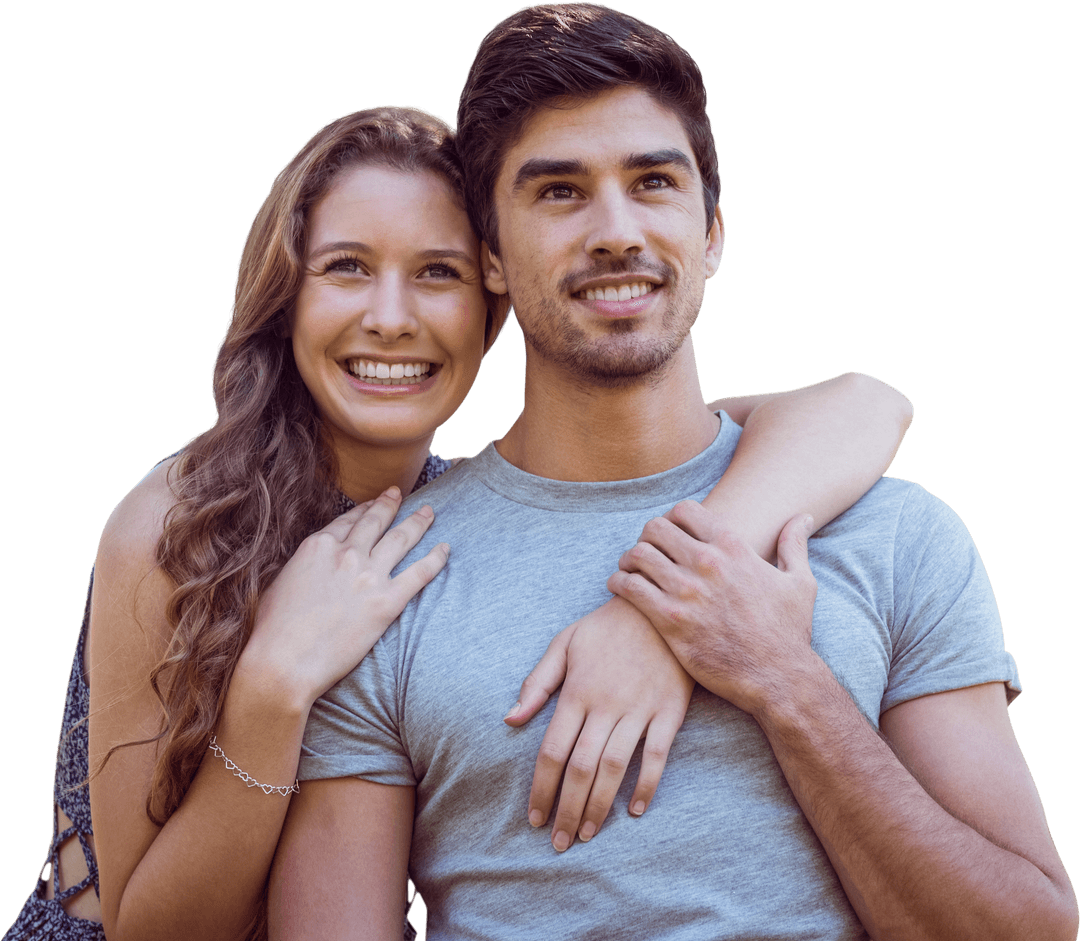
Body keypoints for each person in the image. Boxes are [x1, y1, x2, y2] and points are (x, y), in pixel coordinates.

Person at [4, 104, 912, 941]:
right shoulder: (178, 524)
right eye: (347, 267)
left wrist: (658, 618)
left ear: (496, 294)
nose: (391, 319)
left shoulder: (450, 515)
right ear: (288, 300)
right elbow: (143, 932)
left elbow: (863, 405)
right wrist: (275, 686)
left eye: (435, 273)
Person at [269, 6, 1080, 941]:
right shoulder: (383, 579)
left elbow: (1028, 931)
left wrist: (785, 680)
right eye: (559, 192)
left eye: (653, 181)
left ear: (713, 233)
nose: (616, 230)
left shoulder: (895, 534)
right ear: (491, 254)